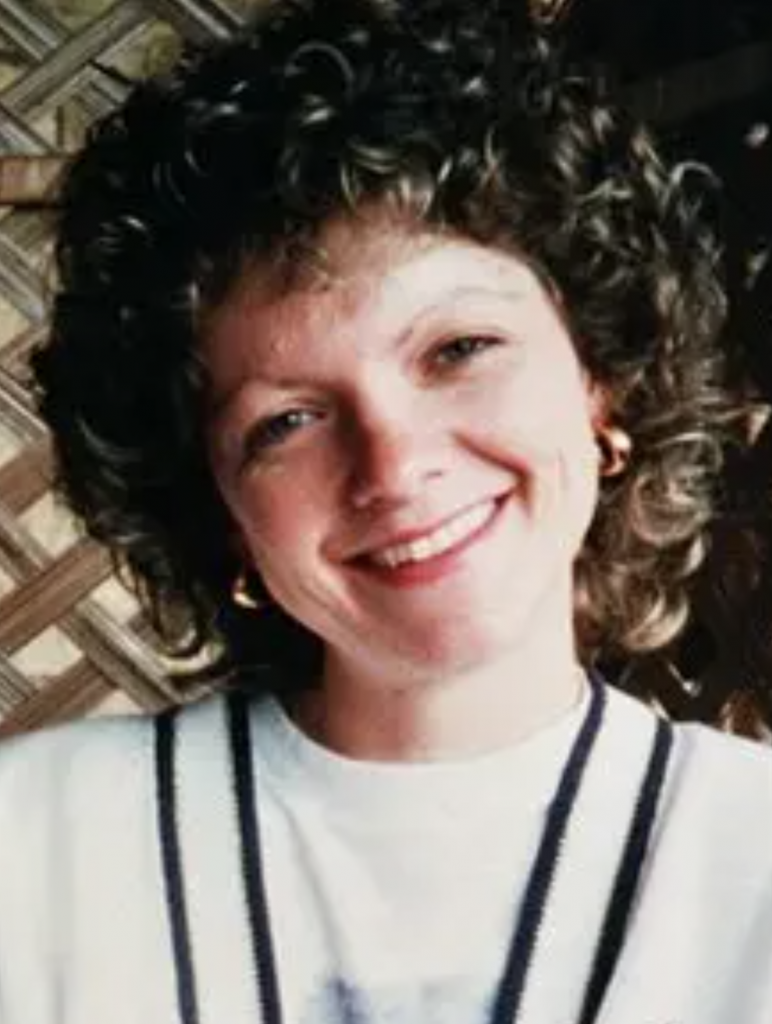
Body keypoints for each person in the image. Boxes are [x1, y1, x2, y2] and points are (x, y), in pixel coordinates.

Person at [1, 1, 771, 1021]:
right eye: (286, 421)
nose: (395, 465)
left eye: (458, 349)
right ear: (219, 512)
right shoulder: (41, 845)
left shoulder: (746, 855)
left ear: (602, 383)